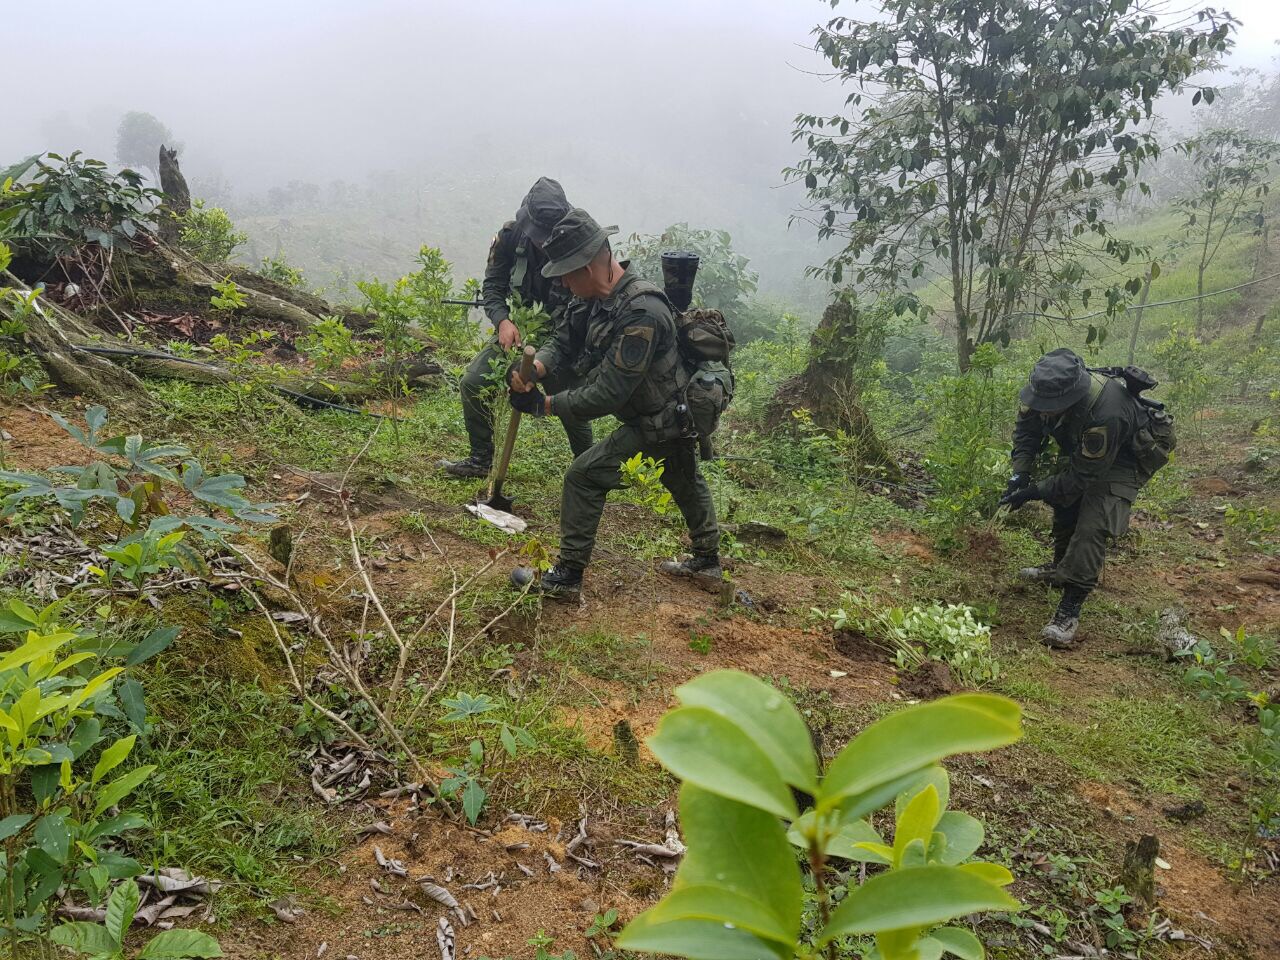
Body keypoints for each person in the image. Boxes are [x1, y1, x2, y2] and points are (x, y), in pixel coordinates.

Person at [505, 207, 721, 598]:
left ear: (589, 266)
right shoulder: (588, 297)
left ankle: (568, 577)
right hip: (654, 412)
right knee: (683, 477)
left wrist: (544, 405)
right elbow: (563, 340)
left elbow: (608, 392)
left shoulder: (642, 311)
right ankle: (708, 561)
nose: (565, 284)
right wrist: (536, 368)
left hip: (663, 418)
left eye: (568, 274)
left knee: (584, 476)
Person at [1000, 348, 1165, 648]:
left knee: (1093, 521)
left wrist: (1035, 491)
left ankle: (1069, 609)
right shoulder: (1042, 391)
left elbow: (1082, 476)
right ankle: (1060, 567)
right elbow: (1026, 430)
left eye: (1052, 406)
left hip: (1127, 456)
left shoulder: (1107, 412)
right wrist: (1020, 474)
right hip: (1087, 451)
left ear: (1070, 396)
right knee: (1065, 501)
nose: (1045, 409)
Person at [438, 177, 595, 478]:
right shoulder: (510, 237)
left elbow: (585, 306)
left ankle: (590, 468)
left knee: (569, 403)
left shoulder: (578, 243)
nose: (543, 240)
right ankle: (480, 460)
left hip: (562, 337)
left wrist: (545, 360)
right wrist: (502, 321)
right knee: (473, 382)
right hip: (518, 332)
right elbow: (493, 285)